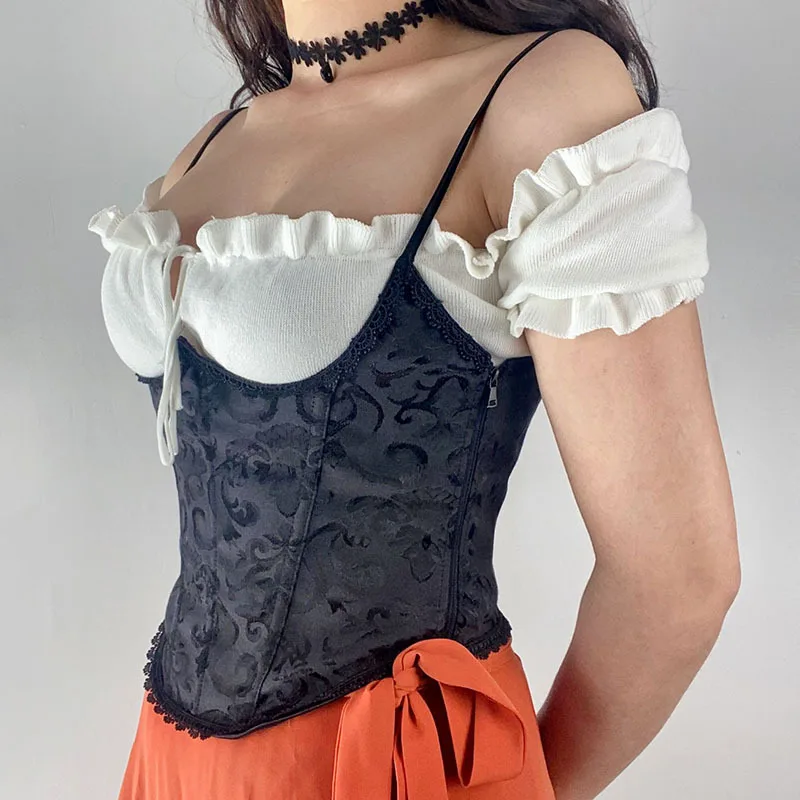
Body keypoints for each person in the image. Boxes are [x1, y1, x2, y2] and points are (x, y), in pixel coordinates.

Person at [87, 0, 741, 798]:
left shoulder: (537, 97)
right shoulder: (214, 141)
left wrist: (517, 788)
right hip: (168, 763)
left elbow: (678, 580)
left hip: (397, 767)